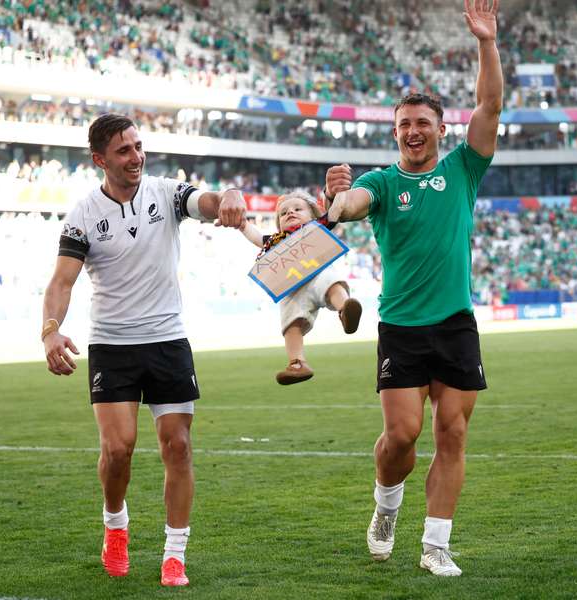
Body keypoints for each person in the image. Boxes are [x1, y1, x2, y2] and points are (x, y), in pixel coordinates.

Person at [325, 0, 503, 577]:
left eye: (422, 122)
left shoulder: (463, 169)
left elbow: (490, 104)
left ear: (439, 129)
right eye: (403, 124)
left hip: (455, 323)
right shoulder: (382, 180)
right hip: (401, 326)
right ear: (395, 132)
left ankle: (435, 545)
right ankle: (385, 508)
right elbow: (354, 204)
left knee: (452, 432)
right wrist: (336, 201)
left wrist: (486, 42)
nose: (412, 131)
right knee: (401, 436)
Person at [41, 113, 246, 587]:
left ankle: (175, 554)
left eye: (138, 146)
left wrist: (229, 196)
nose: (136, 157)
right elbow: (62, 281)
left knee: (177, 446)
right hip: (112, 345)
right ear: (100, 160)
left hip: (168, 341)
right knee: (117, 450)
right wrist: (51, 330)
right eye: (124, 151)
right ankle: (116, 528)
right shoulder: (83, 215)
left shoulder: (166, 193)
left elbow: (207, 201)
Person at [233, 190, 362, 384]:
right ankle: (297, 363)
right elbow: (257, 237)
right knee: (290, 323)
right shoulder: (277, 240)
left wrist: (339, 194)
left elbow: (335, 211)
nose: (290, 213)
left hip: (318, 273)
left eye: (297, 209)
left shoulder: (317, 226)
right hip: (291, 288)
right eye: (283, 213)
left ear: (312, 214)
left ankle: (346, 310)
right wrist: (243, 225)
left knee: (331, 283)